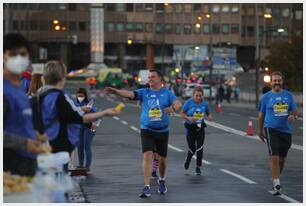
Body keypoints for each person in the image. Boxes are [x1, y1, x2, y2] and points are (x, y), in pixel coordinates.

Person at [104, 69, 181, 198]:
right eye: (149, 77)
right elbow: (129, 94)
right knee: (147, 155)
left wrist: (172, 108)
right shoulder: (144, 92)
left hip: (162, 130)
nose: (150, 79)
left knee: (162, 159)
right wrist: (115, 91)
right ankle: (146, 186)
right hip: (147, 129)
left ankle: (162, 180)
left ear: (160, 79)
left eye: (153, 77)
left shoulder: (167, 93)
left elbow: (178, 103)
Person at [37, 60, 120, 169]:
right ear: (62, 78)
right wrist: (104, 113)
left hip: (41, 145)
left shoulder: (39, 94)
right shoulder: (58, 97)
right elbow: (77, 118)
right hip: (57, 146)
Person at [3, 33, 40, 176]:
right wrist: (25, 144)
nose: (18, 58)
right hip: (9, 166)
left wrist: (34, 136)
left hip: (27, 164)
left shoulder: (19, 88)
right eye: (12, 54)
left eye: (23, 54)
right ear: (3, 56)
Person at [258, 71, 298, 196]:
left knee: (282, 159)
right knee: (274, 156)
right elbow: (261, 115)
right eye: (274, 81)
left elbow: (295, 111)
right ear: (271, 82)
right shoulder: (266, 97)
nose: (277, 83)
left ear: (282, 82)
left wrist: (293, 116)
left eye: (278, 80)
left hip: (285, 131)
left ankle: (276, 177)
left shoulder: (289, 96)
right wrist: (260, 131)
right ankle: (277, 183)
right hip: (270, 128)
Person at [180, 86, 212, 175]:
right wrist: (188, 117)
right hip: (190, 128)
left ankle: (198, 167)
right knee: (192, 148)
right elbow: (181, 113)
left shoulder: (204, 104)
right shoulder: (188, 103)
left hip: (200, 127)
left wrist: (209, 116)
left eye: (200, 96)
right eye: (197, 95)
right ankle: (188, 159)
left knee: (200, 148)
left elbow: (208, 112)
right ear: (193, 95)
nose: (198, 98)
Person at [74, 88, 98, 172]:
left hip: (90, 127)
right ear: (76, 95)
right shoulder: (74, 103)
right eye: (79, 95)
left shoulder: (89, 103)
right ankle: (81, 165)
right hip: (80, 127)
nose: (80, 97)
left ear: (85, 96)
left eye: (82, 96)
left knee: (86, 146)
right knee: (79, 146)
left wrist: (90, 110)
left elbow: (95, 112)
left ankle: (87, 166)